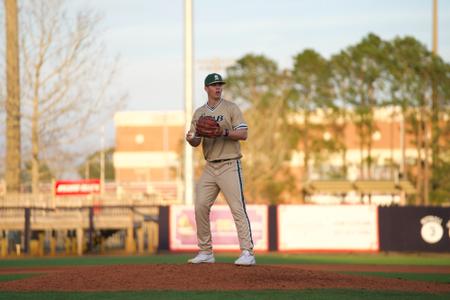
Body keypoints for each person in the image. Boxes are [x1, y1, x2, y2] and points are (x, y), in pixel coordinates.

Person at [185, 73, 255, 266]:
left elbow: (244, 133)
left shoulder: (231, 108)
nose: (218, 87)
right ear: (206, 88)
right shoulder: (199, 113)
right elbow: (195, 140)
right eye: (214, 85)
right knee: (200, 206)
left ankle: (247, 252)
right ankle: (206, 252)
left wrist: (223, 131)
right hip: (210, 166)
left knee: (237, 208)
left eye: (219, 85)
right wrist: (191, 138)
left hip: (230, 164)